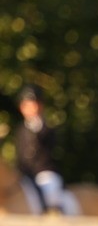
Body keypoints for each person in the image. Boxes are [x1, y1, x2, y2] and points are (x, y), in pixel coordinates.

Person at [13, 84, 65, 213]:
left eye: (33, 104)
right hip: (25, 176)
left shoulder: (45, 127)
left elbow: (47, 145)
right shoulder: (21, 130)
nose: (31, 108)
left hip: (44, 173)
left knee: (50, 195)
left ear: (40, 106)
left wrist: (37, 127)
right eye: (27, 105)